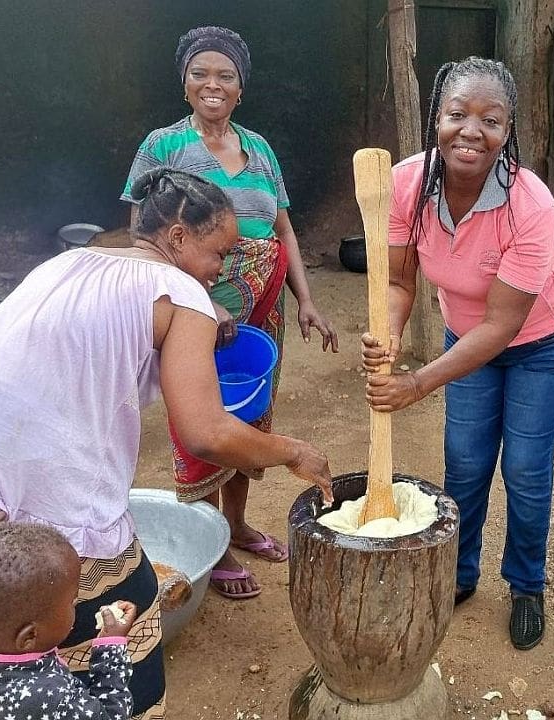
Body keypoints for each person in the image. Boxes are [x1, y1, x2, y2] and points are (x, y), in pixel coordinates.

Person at [0, 168, 333, 718]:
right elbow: (208, 433)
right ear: (177, 238)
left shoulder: (77, 257)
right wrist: (293, 451)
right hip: (27, 466)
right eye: (218, 253)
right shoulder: (184, 293)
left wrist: (200, 312)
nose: (221, 269)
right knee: (127, 619)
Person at [361, 57, 554, 651]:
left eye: (490, 120)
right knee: (463, 463)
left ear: (508, 130)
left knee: (523, 467)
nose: (471, 130)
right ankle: (459, 576)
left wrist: (416, 384)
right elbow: (400, 281)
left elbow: (502, 324)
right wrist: (387, 332)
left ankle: (526, 586)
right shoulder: (405, 185)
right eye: (457, 114)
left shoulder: (530, 206)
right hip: (468, 337)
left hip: (543, 342)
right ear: (436, 118)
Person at [122, 26, 338, 600]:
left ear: (241, 88)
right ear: (185, 82)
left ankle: (237, 525)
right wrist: (201, 295)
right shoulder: (162, 147)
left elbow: (283, 227)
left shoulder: (260, 149)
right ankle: (209, 541)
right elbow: (144, 236)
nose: (212, 84)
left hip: (262, 311)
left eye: (226, 76)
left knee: (250, 418)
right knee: (202, 423)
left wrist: (307, 300)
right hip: (193, 309)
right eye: (200, 73)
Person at [0, 521, 135, 720]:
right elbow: (112, 716)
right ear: (29, 636)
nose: (76, 603)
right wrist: (110, 648)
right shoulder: (56, 698)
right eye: (72, 601)